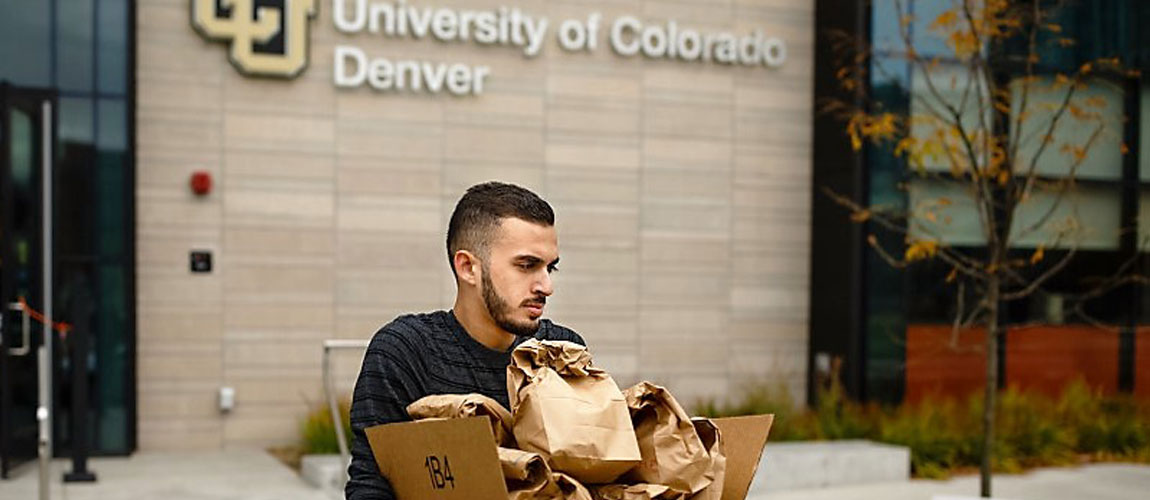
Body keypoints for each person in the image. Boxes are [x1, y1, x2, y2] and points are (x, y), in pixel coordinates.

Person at [345, 181, 586, 500]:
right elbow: (372, 485)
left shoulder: (563, 352)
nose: (546, 286)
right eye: (527, 265)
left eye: (550, 268)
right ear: (468, 267)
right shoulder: (406, 351)